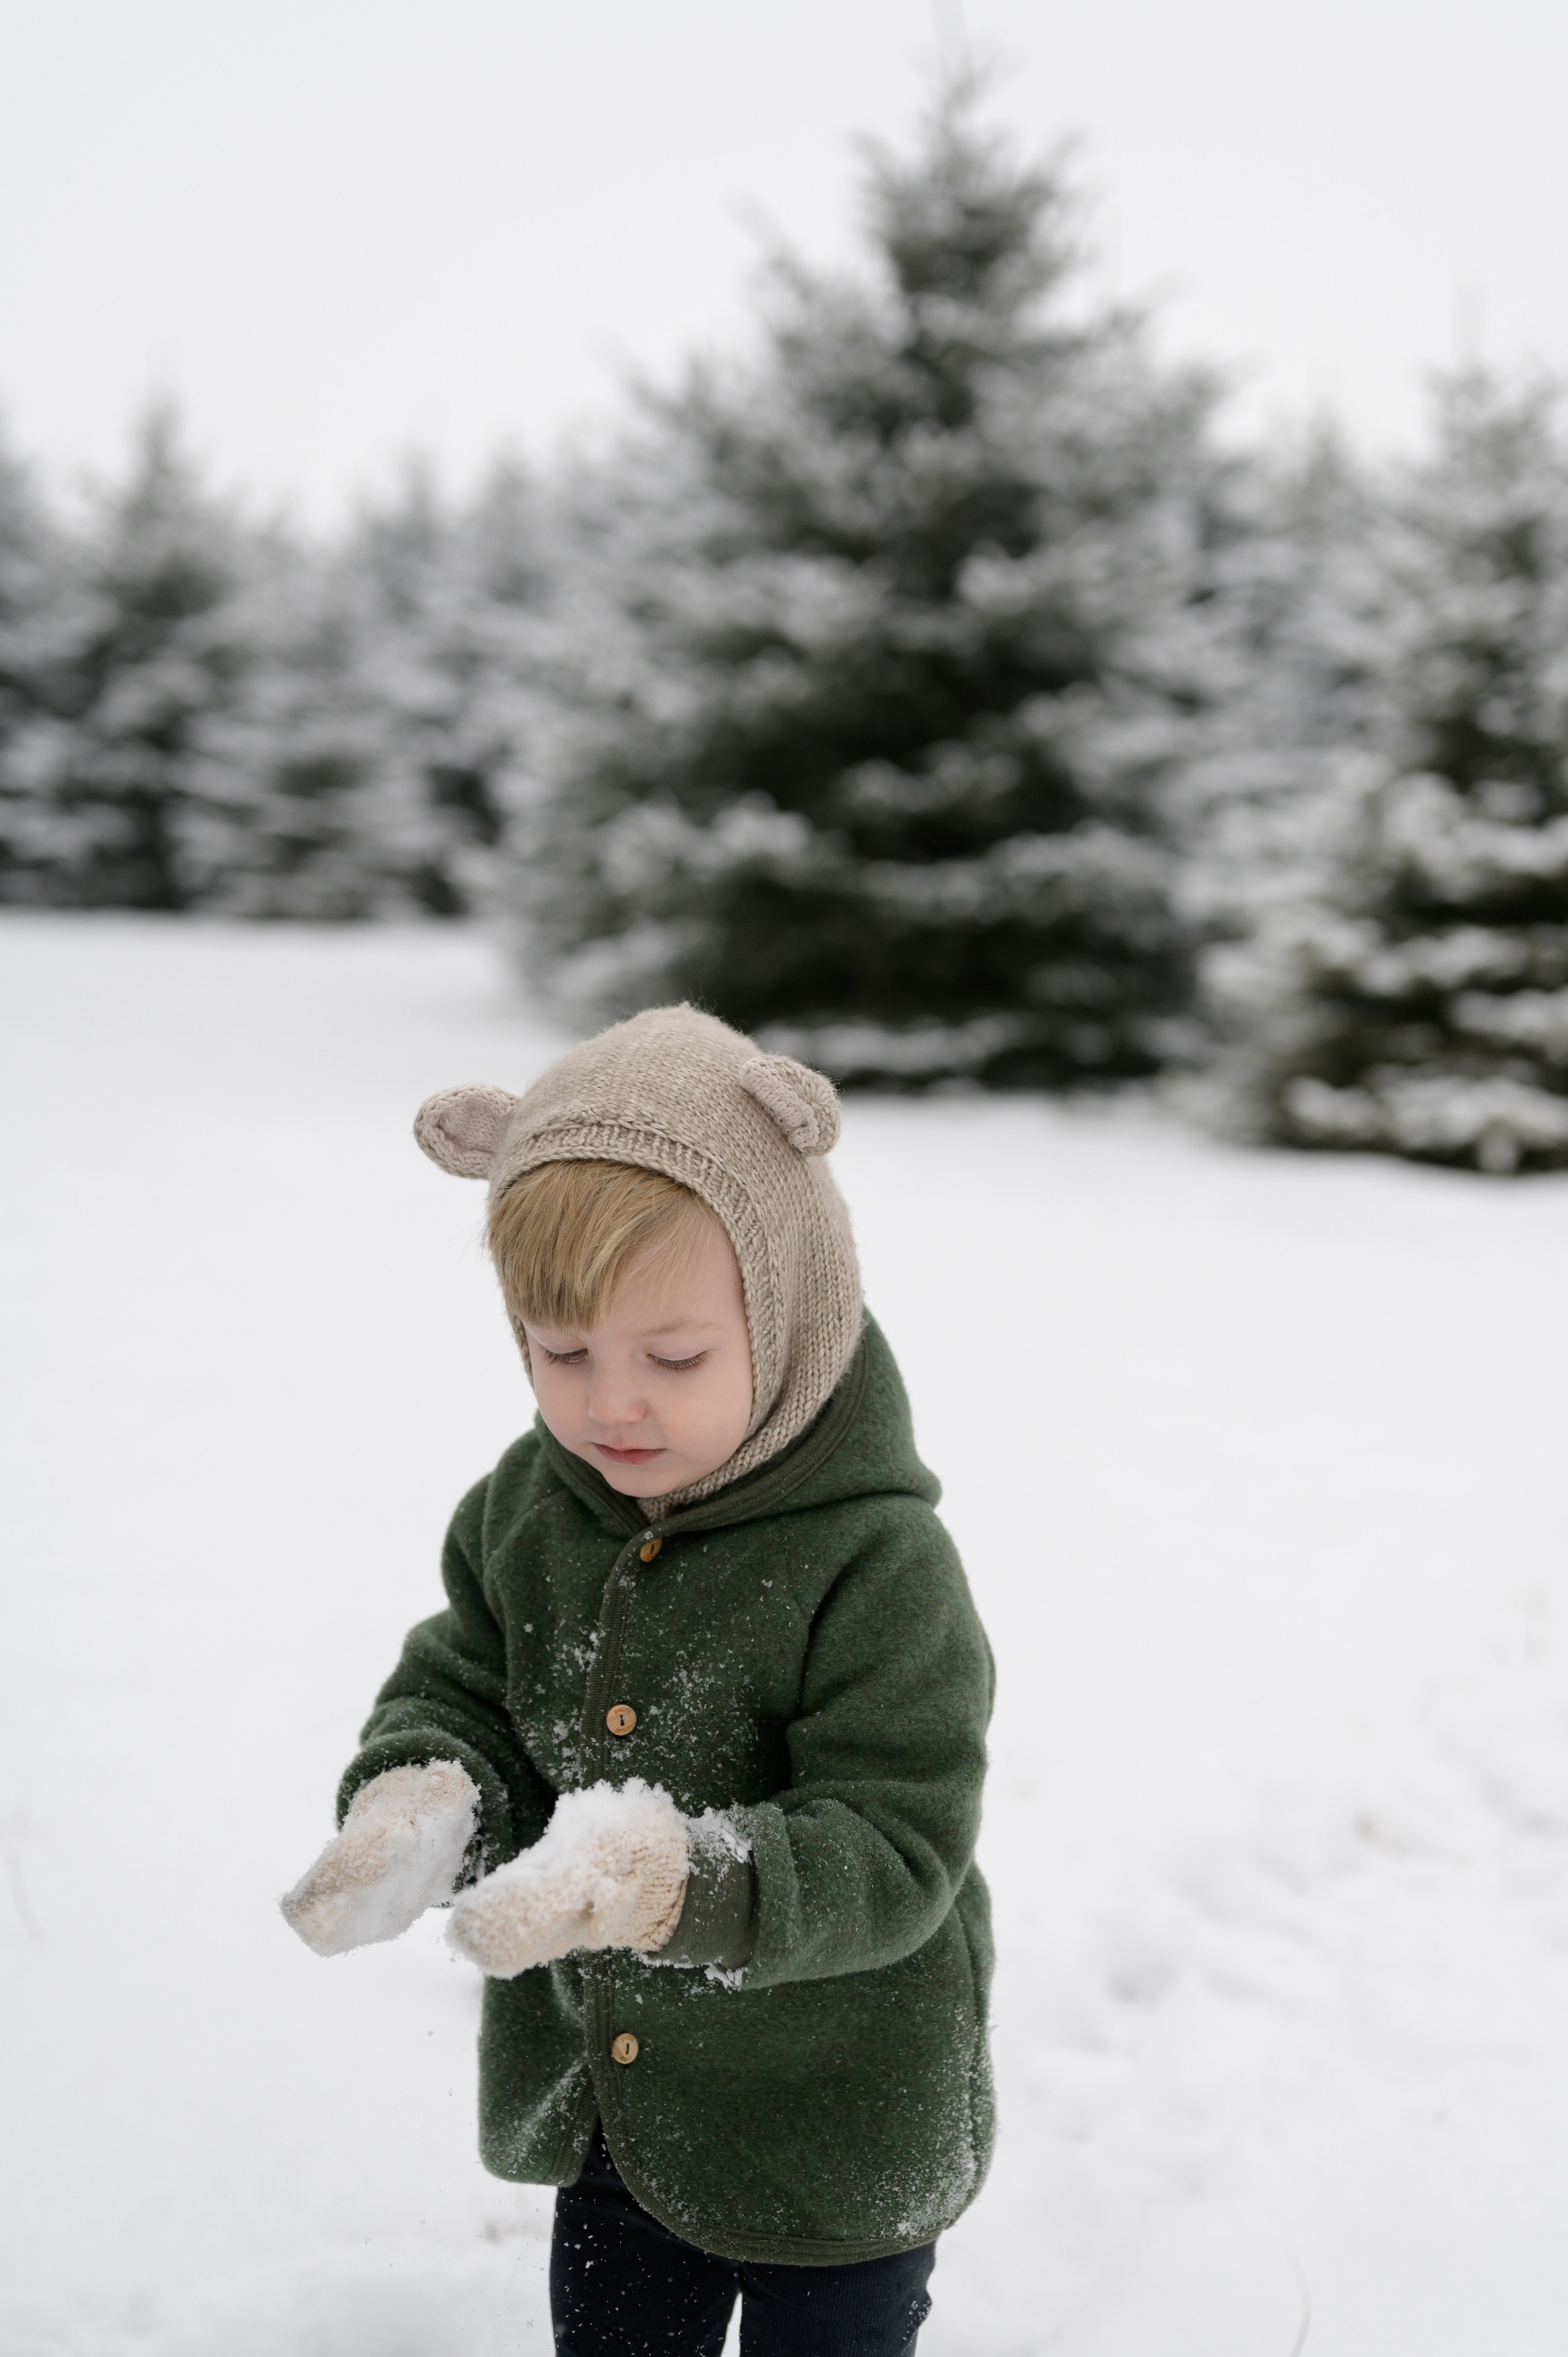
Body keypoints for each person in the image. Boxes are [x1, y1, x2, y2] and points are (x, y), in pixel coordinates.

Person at [280, 1004, 995, 2357]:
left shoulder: (876, 1559)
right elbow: (465, 1681)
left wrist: (670, 1881)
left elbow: (898, 1843)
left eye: (672, 1359)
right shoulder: (529, 1505)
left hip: (836, 2131)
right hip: (614, 2110)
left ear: (786, 1312)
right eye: (560, 1352)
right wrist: (423, 1796)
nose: (611, 1406)